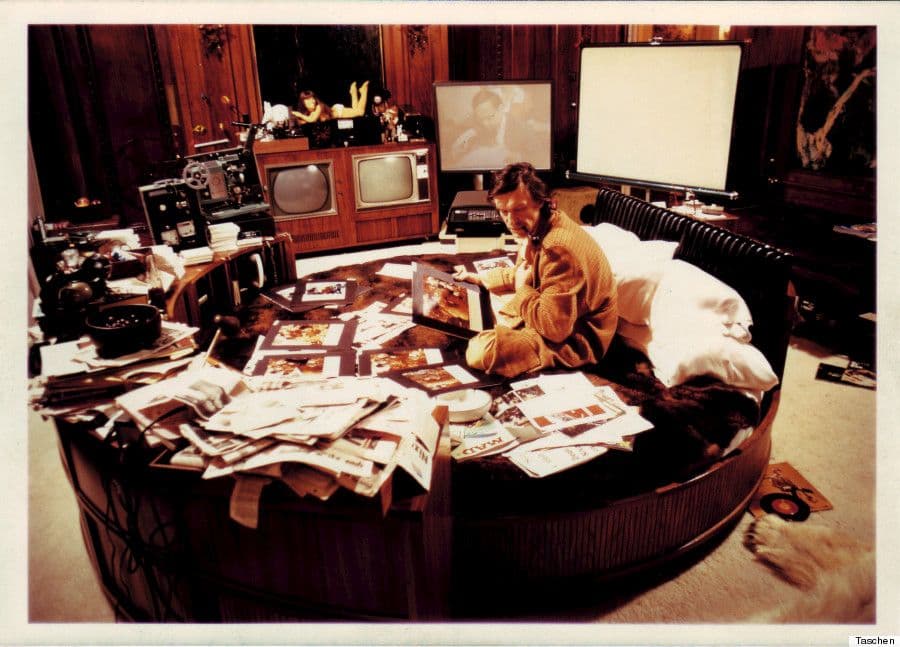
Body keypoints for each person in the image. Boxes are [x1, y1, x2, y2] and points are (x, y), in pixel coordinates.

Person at [456, 162, 618, 378]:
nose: (511, 221)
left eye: (518, 209)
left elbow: (555, 330)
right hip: (556, 315)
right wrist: (481, 279)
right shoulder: (544, 224)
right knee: (483, 313)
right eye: (503, 211)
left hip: (577, 339)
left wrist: (522, 289)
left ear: (540, 202)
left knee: (480, 352)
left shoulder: (558, 249)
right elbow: (530, 272)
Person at [292, 81, 369, 123]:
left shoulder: (319, 106)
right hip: (337, 112)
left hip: (339, 112)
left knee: (360, 112)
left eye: (313, 98)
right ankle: (353, 92)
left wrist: (300, 115)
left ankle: (363, 91)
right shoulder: (310, 113)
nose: (312, 101)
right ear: (303, 102)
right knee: (356, 110)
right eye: (308, 99)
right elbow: (308, 120)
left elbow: (312, 120)